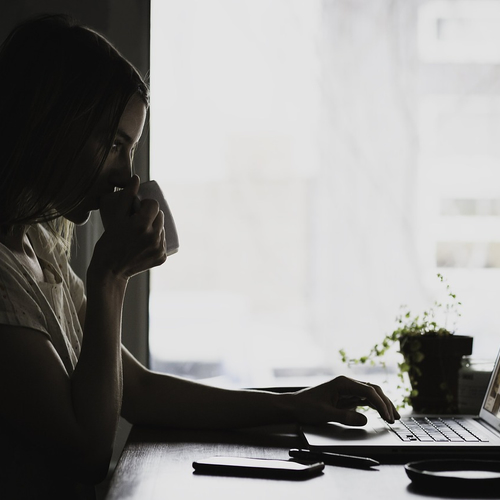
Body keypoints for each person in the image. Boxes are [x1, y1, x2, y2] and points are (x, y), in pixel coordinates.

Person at [0, 14, 399, 499]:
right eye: (112, 145)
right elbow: (87, 453)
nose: (127, 177)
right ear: (53, 127)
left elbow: (138, 389)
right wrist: (110, 275)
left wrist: (295, 405)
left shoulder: (40, 247)